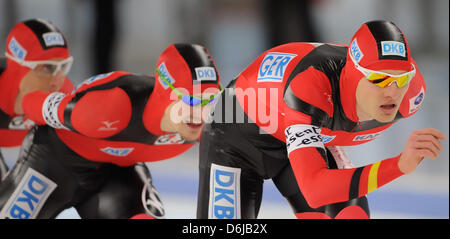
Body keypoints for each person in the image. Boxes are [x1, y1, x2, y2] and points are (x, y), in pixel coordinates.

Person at [197, 20, 446, 219]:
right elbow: (316, 191)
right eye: (378, 79)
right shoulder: (311, 85)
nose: (392, 91)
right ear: (352, 74)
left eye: (401, 79)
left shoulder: (411, 95)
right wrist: (399, 165)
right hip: (236, 135)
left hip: (306, 131)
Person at [0, 43, 222, 219]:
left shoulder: (216, 119)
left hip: (116, 173)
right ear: (165, 92)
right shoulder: (111, 108)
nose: (200, 112)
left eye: (209, 99)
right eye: (190, 99)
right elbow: (31, 102)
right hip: (53, 162)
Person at [0, 19, 73, 180]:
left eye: (64, 67)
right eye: (47, 67)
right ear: (17, 67)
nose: (57, 81)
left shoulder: (63, 94)